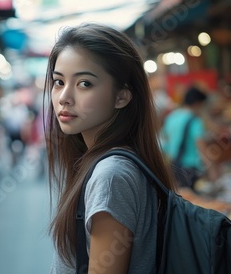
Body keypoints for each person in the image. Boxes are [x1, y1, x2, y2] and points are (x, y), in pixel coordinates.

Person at [44, 23, 176, 274]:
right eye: (59, 82)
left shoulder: (111, 175)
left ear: (122, 96)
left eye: (84, 84)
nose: (63, 97)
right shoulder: (110, 164)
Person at [160, 86, 209, 189]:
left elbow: (165, 143)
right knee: (194, 200)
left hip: (174, 167)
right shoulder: (195, 121)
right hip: (190, 169)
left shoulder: (171, 117)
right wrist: (211, 169)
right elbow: (201, 146)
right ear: (197, 103)